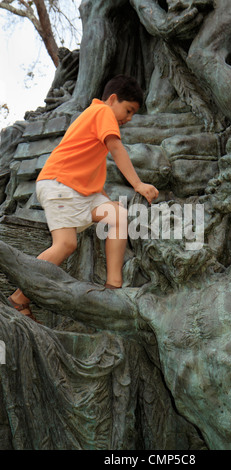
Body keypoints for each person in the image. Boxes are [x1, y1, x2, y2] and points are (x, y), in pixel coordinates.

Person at [7, 75, 159, 321]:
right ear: (112, 99)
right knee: (66, 244)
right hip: (60, 184)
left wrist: (104, 198)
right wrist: (138, 184)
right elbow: (117, 149)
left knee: (118, 214)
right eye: (128, 110)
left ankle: (113, 287)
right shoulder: (102, 112)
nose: (128, 119)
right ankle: (19, 298)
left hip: (81, 192)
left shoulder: (96, 120)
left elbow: (91, 169)